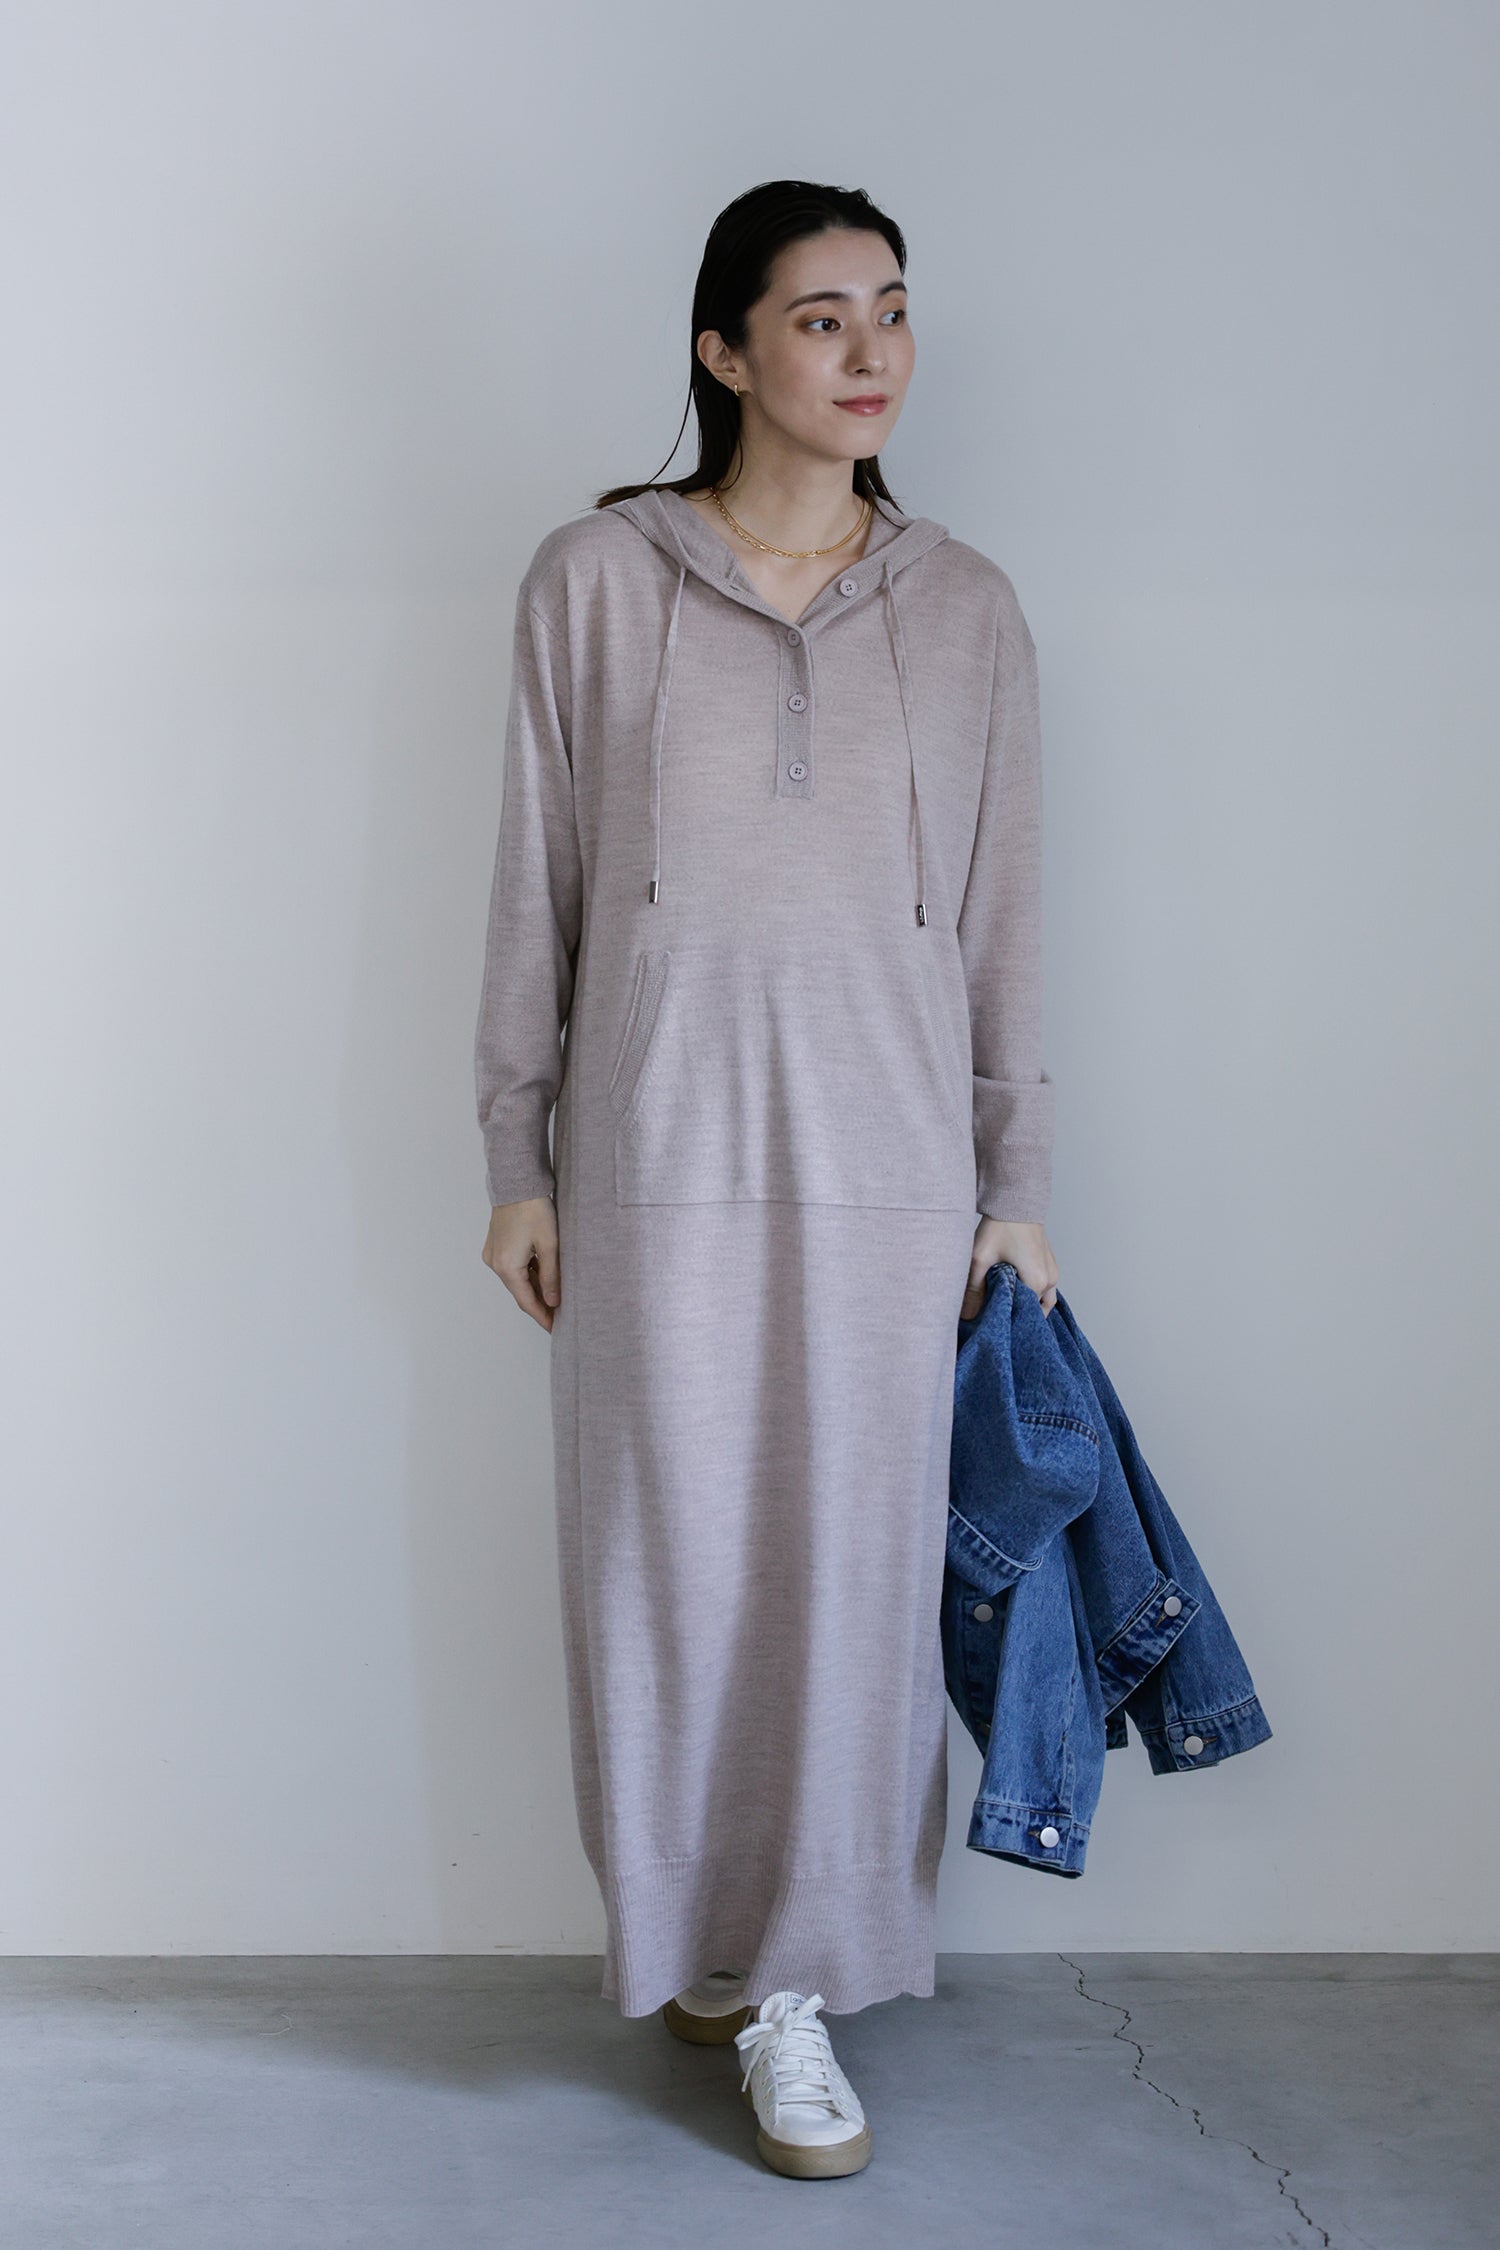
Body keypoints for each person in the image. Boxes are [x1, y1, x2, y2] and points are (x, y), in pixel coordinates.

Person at [473, 177, 1060, 2181]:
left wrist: (1016, 1170)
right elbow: (538, 886)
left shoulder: (967, 610)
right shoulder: (592, 581)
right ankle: (700, 1945)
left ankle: (803, 1979)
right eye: (821, 317)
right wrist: (516, 1149)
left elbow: (1005, 911)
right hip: (655, 1155)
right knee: (668, 1562)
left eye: (891, 308)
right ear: (725, 351)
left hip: (893, 1167)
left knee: (855, 1574)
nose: (872, 349)